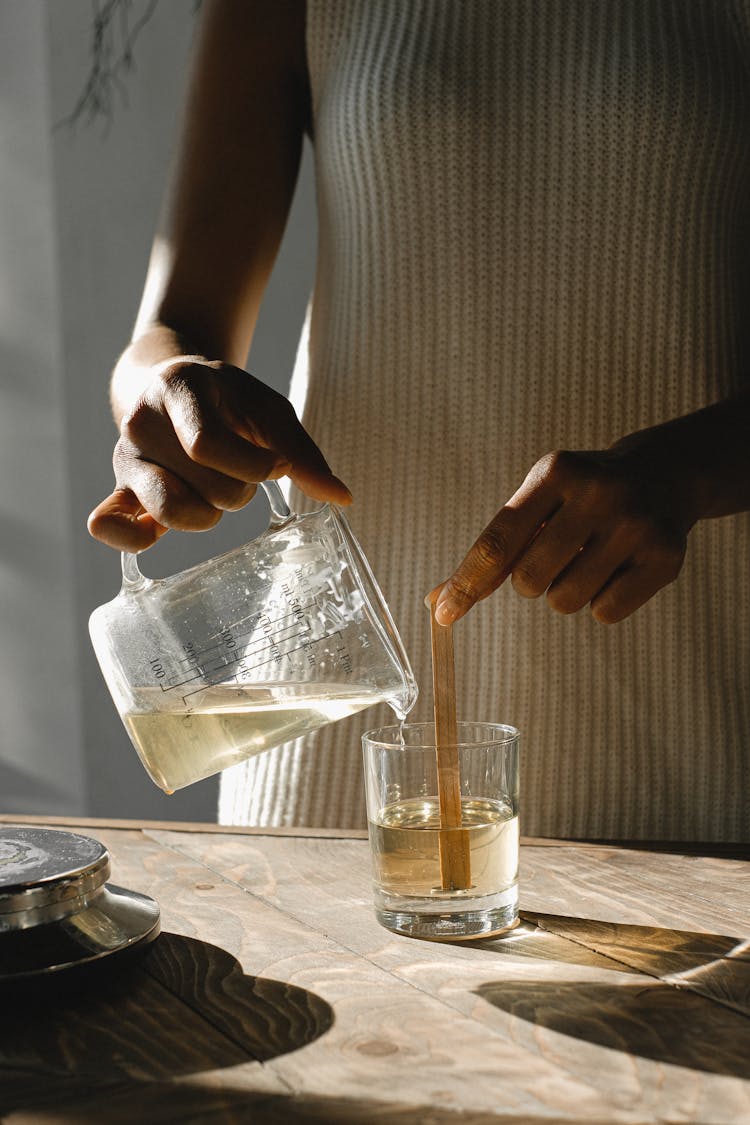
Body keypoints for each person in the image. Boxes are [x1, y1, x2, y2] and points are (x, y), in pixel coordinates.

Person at [89, 0, 750, 841]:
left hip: (687, 723)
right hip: (332, 737)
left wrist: (688, 470)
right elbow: (173, 327)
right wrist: (167, 393)